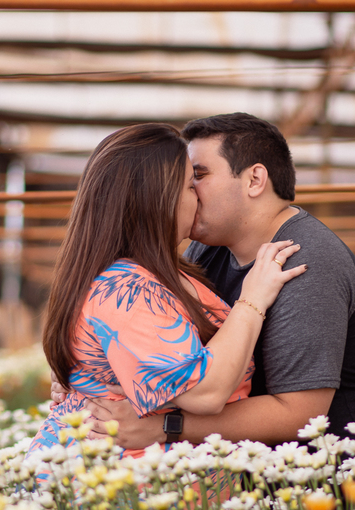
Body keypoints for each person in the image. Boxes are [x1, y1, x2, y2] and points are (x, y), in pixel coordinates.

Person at [81, 112, 355, 448]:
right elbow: (157, 346)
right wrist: (89, 376)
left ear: (255, 180)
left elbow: (298, 415)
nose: (189, 190)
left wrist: (167, 427)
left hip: (350, 480)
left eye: (199, 175)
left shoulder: (305, 260)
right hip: (270, 482)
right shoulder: (203, 252)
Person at [26, 122, 306, 474]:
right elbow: (203, 393)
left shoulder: (167, 271)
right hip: (119, 506)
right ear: (156, 199)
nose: (199, 195)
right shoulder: (126, 289)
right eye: (191, 184)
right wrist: (252, 299)